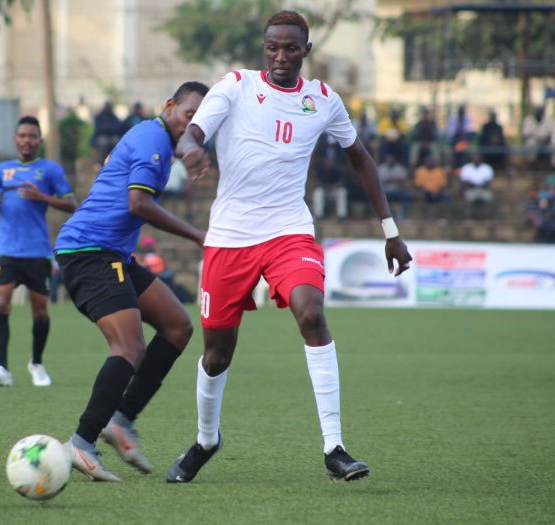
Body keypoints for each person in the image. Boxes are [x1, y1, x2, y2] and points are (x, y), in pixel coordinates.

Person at [165, 11, 412, 484]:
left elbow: (360, 158)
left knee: (311, 313)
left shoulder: (322, 100)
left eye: (290, 48)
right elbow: (193, 131)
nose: (281, 57)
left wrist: (390, 229)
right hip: (230, 237)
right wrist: (192, 149)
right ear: (264, 49)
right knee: (216, 353)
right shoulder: (236, 85)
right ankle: (206, 440)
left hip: (288, 231)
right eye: (273, 48)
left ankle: (334, 447)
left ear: (306, 51)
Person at [54, 81, 209, 481]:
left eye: (201, 121)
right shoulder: (153, 139)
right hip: (89, 251)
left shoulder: (155, 138)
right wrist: (196, 235)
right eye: (190, 114)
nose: (193, 124)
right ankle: (82, 443)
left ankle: (121, 420)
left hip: (112, 253)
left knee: (177, 326)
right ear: (170, 106)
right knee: (128, 345)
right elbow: (137, 204)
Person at [0, 116, 77, 387]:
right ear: (15, 139)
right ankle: (2, 368)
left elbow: (73, 205)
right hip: (7, 249)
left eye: (32, 136)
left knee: (40, 312)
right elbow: (8, 204)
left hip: (37, 251)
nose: (27, 140)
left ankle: (36, 363)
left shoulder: (50, 170)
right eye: (22, 136)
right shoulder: (3, 169)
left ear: (40, 141)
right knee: (1, 302)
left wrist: (43, 197)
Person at [377, 154, 414, 221]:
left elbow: (403, 180)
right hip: (385, 192)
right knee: (377, 197)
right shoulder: (381, 168)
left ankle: (401, 216)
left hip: (397, 191)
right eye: (388, 159)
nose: (390, 160)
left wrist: (392, 179)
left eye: (391, 159)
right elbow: (379, 182)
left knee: (407, 196)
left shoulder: (399, 168)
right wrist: (392, 179)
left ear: (394, 160)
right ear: (386, 160)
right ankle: (382, 218)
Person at [459, 152, 494, 219]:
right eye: (474, 158)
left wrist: (480, 185)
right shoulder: (466, 168)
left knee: (489, 198)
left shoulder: (487, 168)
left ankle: (488, 219)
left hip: (483, 190)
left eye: (478, 158)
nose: (476, 159)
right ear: (472, 158)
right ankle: (468, 219)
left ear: (481, 158)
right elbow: (464, 182)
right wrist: (472, 185)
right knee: (468, 199)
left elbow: (488, 182)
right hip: (471, 190)